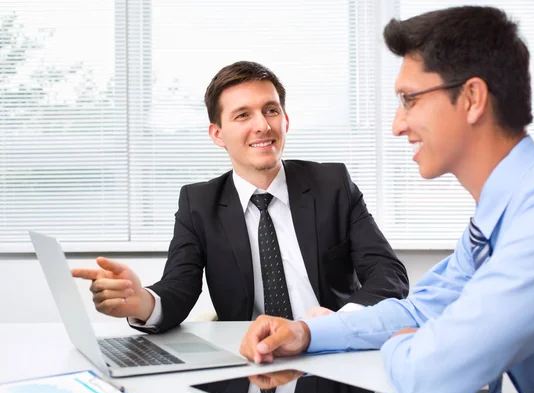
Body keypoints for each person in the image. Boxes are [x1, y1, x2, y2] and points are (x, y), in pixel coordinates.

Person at [238, 6, 534, 393]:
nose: (397, 124)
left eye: (409, 99)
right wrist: (305, 333)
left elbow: (431, 374)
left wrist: (409, 345)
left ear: (472, 98)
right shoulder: (502, 213)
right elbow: (421, 311)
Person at [71, 59, 408, 361]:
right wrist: (140, 301)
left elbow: (388, 274)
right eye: (243, 115)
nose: (262, 125)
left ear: (285, 120)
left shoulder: (331, 183)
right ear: (217, 134)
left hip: (334, 350)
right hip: (252, 358)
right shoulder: (198, 203)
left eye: (271, 110)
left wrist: (338, 323)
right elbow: (179, 287)